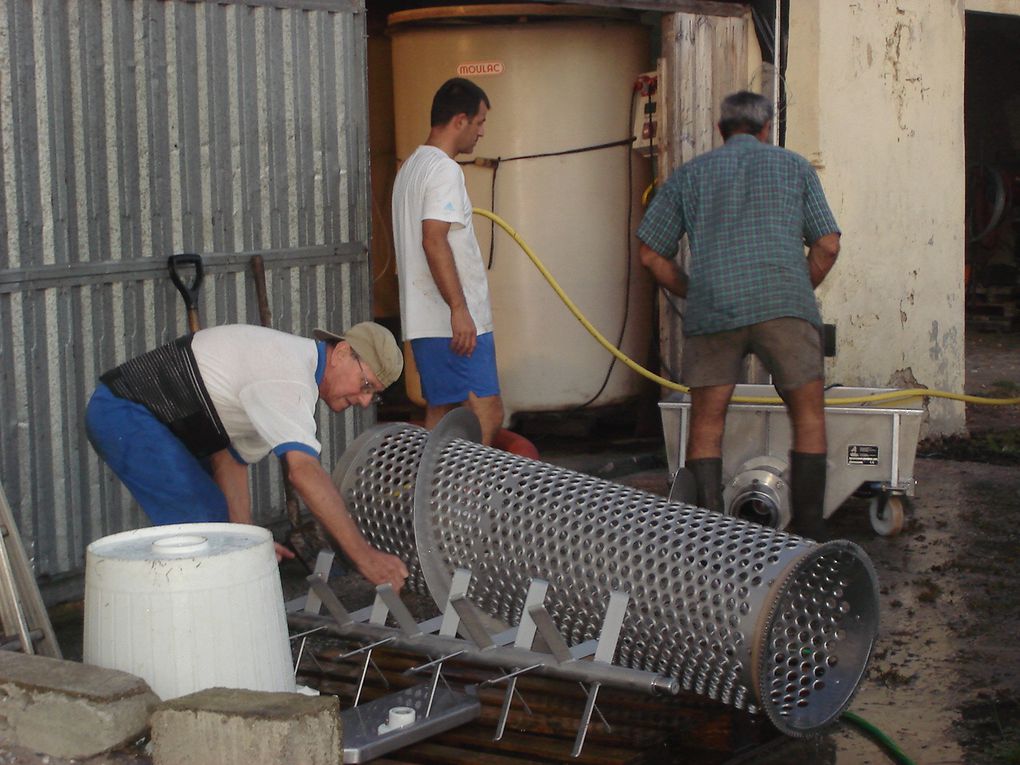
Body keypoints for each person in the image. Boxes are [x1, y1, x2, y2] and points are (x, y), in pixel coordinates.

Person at [636, 91, 841, 539]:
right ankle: (809, 532)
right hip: (785, 305)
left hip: (714, 309)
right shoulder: (794, 167)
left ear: (720, 131)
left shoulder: (689, 176)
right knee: (807, 414)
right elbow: (827, 244)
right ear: (766, 129)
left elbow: (651, 255)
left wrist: (694, 290)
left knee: (708, 418)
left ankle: (709, 534)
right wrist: (792, 290)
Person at [85, 322, 410, 591]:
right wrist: (365, 557)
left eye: (374, 393)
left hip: (156, 423)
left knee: (220, 536)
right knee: (205, 533)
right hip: (124, 410)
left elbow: (232, 459)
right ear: (340, 353)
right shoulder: (289, 376)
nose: (366, 401)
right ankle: (199, 635)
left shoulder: (289, 379)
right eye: (365, 384)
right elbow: (304, 473)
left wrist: (244, 539)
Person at [391, 77, 504, 445]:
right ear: (460, 120)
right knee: (485, 411)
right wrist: (459, 309)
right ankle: (472, 500)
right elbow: (434, 238)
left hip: (425, 322)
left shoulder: (410, 168)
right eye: (480, 121)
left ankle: (427, 498)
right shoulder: (443, 170)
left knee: (441, 413)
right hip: (453, 322)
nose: (481, 131)